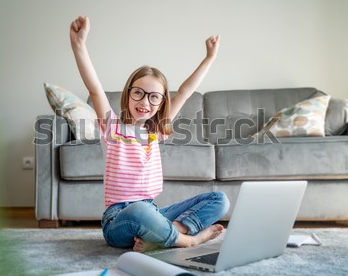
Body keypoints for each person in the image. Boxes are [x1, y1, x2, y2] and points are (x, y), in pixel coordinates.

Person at [70, 15, 230, 252]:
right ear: (128, 93)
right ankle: (188, 239)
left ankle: (165, 234)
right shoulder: (111, 126)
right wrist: (79, 44)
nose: (145, 101)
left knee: (220, 200)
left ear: (161, 102)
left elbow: (185, 92)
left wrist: (209, 58)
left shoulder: (155, 130)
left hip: (153, 212)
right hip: (119, 219)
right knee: (139, 210)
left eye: (154, 96)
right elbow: (93, 88)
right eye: (139, 93)